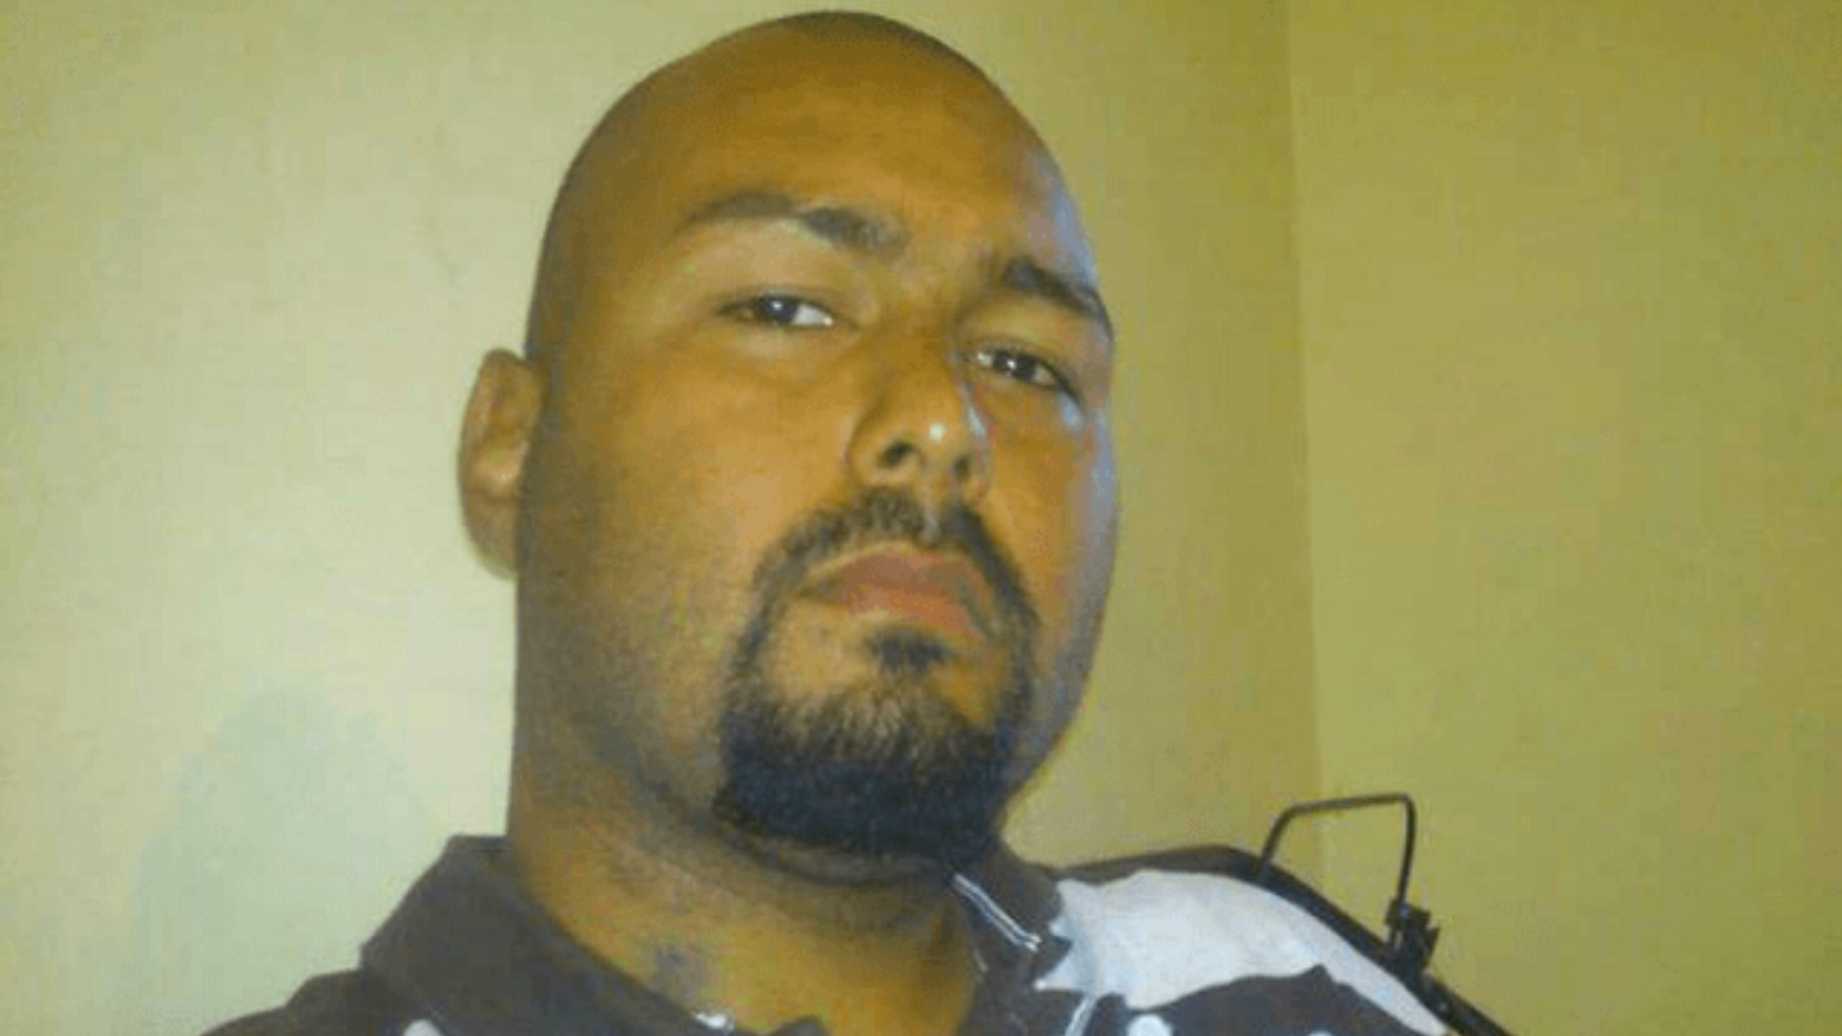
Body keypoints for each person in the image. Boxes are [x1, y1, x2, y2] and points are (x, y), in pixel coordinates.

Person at [209, 12, 1450, 1036]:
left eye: (1026, 364)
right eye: (786, 307)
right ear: (512, 449)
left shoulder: (1281, 978)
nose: (948, 418)